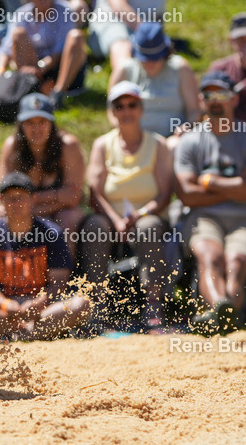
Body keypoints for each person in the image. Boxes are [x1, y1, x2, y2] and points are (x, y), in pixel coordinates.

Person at [174, 71, 246, 330]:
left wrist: (208, 181)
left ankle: (219, 316)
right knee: (210, 257)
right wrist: (237, 184)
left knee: (237, 261)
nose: (215, 100)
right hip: (204, 217)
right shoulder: (190, 141)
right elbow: (186, 194)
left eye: (221, 94)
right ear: (201, 100)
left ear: (234, 99)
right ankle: (222, 310)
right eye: (208, 95)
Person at [0, 173, 92, 340]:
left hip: (41, 309)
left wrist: (40, 302)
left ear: (33, 199)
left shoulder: (51, 233)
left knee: (82, 305)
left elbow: (59, 281)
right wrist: (6, 304)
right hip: (3, 310)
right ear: (1, 200)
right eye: (10, 198)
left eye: (21, 197)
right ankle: (33, 333)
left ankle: (17, 334)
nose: (16, 203)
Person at [85, 82, 174, 329]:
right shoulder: (102, 145)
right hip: (110, 217)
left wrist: (139, 214)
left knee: (148, 227)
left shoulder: (158, 145)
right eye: (119, 106)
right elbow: (94, 193)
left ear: (141, 109)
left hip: (149, 215)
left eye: (132, 105)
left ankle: (153, 305)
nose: (126, 111)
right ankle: (97, 307)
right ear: (113, 112)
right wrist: (115, 219)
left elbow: (165, 195)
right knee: (95, 226)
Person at [0, 93, 87, 262]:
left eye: (42, 122)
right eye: (30, 123)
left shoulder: (67, 145)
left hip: (63, 212)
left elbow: (73, 198)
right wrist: (56, 196)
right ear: (21, 125)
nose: (36, 129)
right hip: (30, 209)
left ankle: (65, 278)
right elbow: (5, 197)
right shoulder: (12, 147)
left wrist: (27, 206)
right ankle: (11, 279)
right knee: (0, 216)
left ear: (51, 124)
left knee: (66, 218)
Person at [0, 0, 87, 109]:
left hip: (61, 68)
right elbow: (6, 49)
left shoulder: (65, 10)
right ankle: (30, 86)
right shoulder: (21, 14)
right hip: (35, 69)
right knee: (18, 34)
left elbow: (60, 51)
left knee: (76, 36)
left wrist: (42, 66)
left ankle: (58, 93)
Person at [109, 22, 200, 142]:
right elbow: (111, 111)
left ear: (166, 53)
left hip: (173, 140)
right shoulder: (124, 70)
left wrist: (186, 127)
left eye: (155, 58)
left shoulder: (180, 68)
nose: (151, 63)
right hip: (136, 140)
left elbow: (194, 111)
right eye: (145, 59)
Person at [208, 12, 246, 126]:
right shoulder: (219, 69)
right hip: (230, 134)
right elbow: (209, 107)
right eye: (241, 39)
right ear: (231, 40)